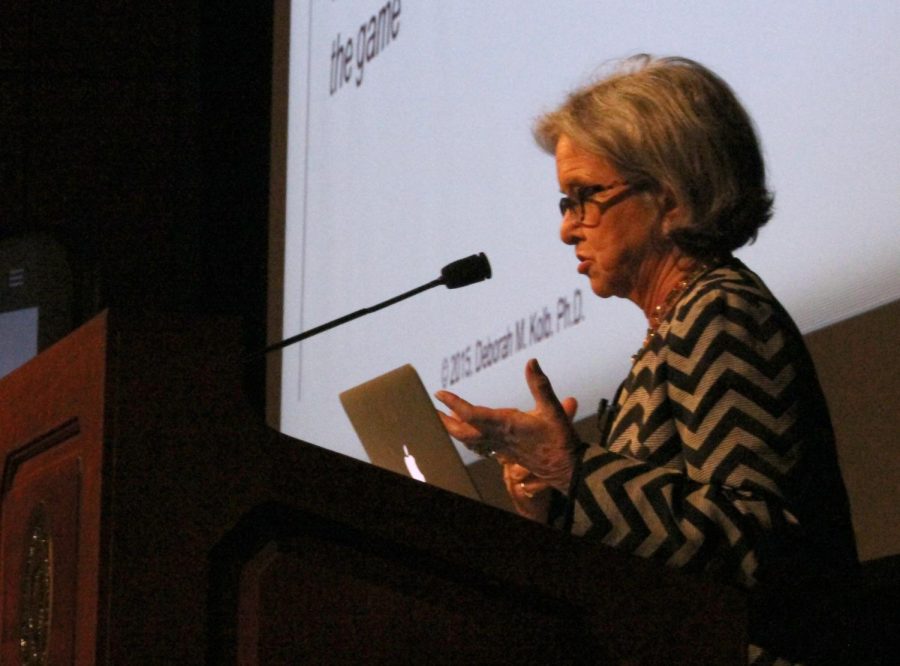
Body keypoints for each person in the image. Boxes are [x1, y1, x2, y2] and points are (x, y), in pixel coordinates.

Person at [435, 55, 859, 665]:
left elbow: (757, 542)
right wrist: (555, 501)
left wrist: (573, 468)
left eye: (586, 197)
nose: (568, 229)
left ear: (671, 197)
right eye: (564, 202)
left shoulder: (719, 312)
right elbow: (658, 559)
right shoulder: (674, 325)